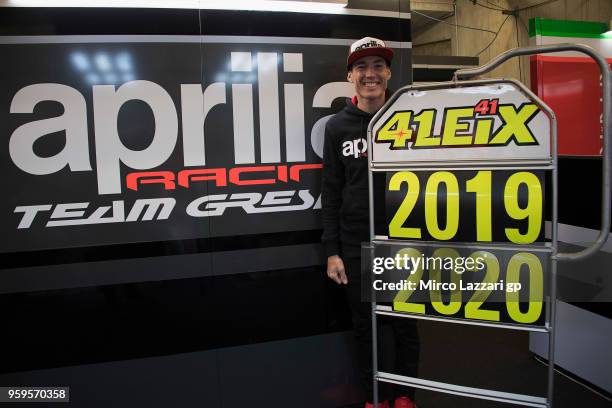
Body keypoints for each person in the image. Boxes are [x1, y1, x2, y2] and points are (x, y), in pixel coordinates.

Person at [321, 37, 420, 408]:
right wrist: (332, 251)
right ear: (350, 76)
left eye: (378, 65)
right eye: (362, 67)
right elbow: (330, 191)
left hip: (405, 240)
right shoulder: (337, 127)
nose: (370, 74)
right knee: (366, 328)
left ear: (389, 73)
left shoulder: (409, 120)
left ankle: (405, 397)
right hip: (357, 244)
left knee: (406, 326)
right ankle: (374, 398)